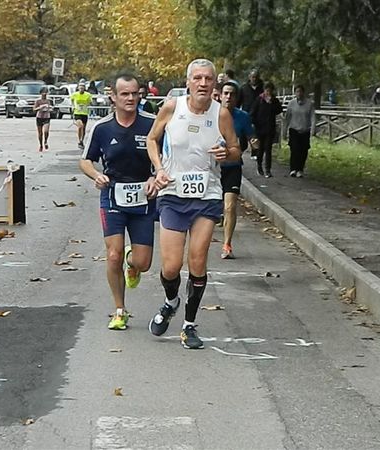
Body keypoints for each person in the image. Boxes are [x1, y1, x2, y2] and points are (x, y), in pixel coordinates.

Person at [146, 58, 240, 350]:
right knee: (172, 266)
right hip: (173, 194)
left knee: (197, 260)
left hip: (207, 196)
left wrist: (228, 154)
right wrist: (159, 169)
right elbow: (151, 138)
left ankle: (189, 325)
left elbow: (236, 150)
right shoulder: (173, 107)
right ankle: (170, 301)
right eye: (197, 78)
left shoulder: (221, 114)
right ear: (188, 82)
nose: (202, 83)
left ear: (215, 83)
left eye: (208, 79)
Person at [79, 73, 158, 330]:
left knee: (143, 262)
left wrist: (155, 177)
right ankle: (119, 309)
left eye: (135, 93)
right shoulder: (102, 128)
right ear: (113, 97)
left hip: (143, 199)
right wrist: (96, 175)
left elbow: (166, 156)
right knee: (113, 256)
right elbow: (85, 160)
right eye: (125, 94)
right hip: (113, 196)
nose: (131, 98)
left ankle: (133, 265)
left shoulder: (152, 124)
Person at [219, 81, 256, 259]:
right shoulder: (210, 115)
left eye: (232, 94)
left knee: (230, 206)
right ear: (219, 95)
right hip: (212, 168)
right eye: (225, 93)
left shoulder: (243, 117)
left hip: (233, 167)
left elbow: (251, 137)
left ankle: (227, 244)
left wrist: (255, 143)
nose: (228, 97)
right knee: (208, 209)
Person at [250, 81, 282, 177]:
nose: (268, 93)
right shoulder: (259, 100)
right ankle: (259, 166)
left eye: (270, 91)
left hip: (270, 128)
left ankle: (268, 169)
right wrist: (253, 123)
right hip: (259, 128)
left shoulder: (274, 100)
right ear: (264, 90)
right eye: (267, 90)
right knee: (260, 149)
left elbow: (279, 110)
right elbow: (253, 112)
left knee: (268, 149)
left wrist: (271, 103)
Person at [284, 84, 316, 178]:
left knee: (303, 151)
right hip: (294, 129)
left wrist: (313, 129)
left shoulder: (309, 104)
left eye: (300, 91)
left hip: (305, 130)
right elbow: (287, 117)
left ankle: (300, 169)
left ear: (303, 92)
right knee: (294, 149)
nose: (299, 93)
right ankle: (293, 168)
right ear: (295, 93)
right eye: (297, 91)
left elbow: (313, 117)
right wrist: (284, 131)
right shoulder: (291, 103)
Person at [70, 81, 93, 148]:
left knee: (83, 128)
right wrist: (73, 106)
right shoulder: (75, 94)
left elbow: (90, 102)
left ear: (84, 88)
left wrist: (87, 104)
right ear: (78, 88)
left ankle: (81, 141)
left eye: (82, 87)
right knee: (80, 126)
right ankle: (79, 140)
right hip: (77, 113)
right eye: (80, 87)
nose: (81, 89)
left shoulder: (88, 95)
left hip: (84, 113)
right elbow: (71, 101)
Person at [34, 87, 52, 152]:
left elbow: (51, 108)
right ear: (41, 93)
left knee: (46, 131)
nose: (44, 94)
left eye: (46, 92)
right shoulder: (38, 101)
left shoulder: (48, 101)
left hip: (46, 117)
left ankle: (46, 141)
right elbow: (34, 109)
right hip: (39, 117)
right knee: (40, 133)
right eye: (43, 92)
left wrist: (50, 108)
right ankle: (41, 145)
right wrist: (40, 107)